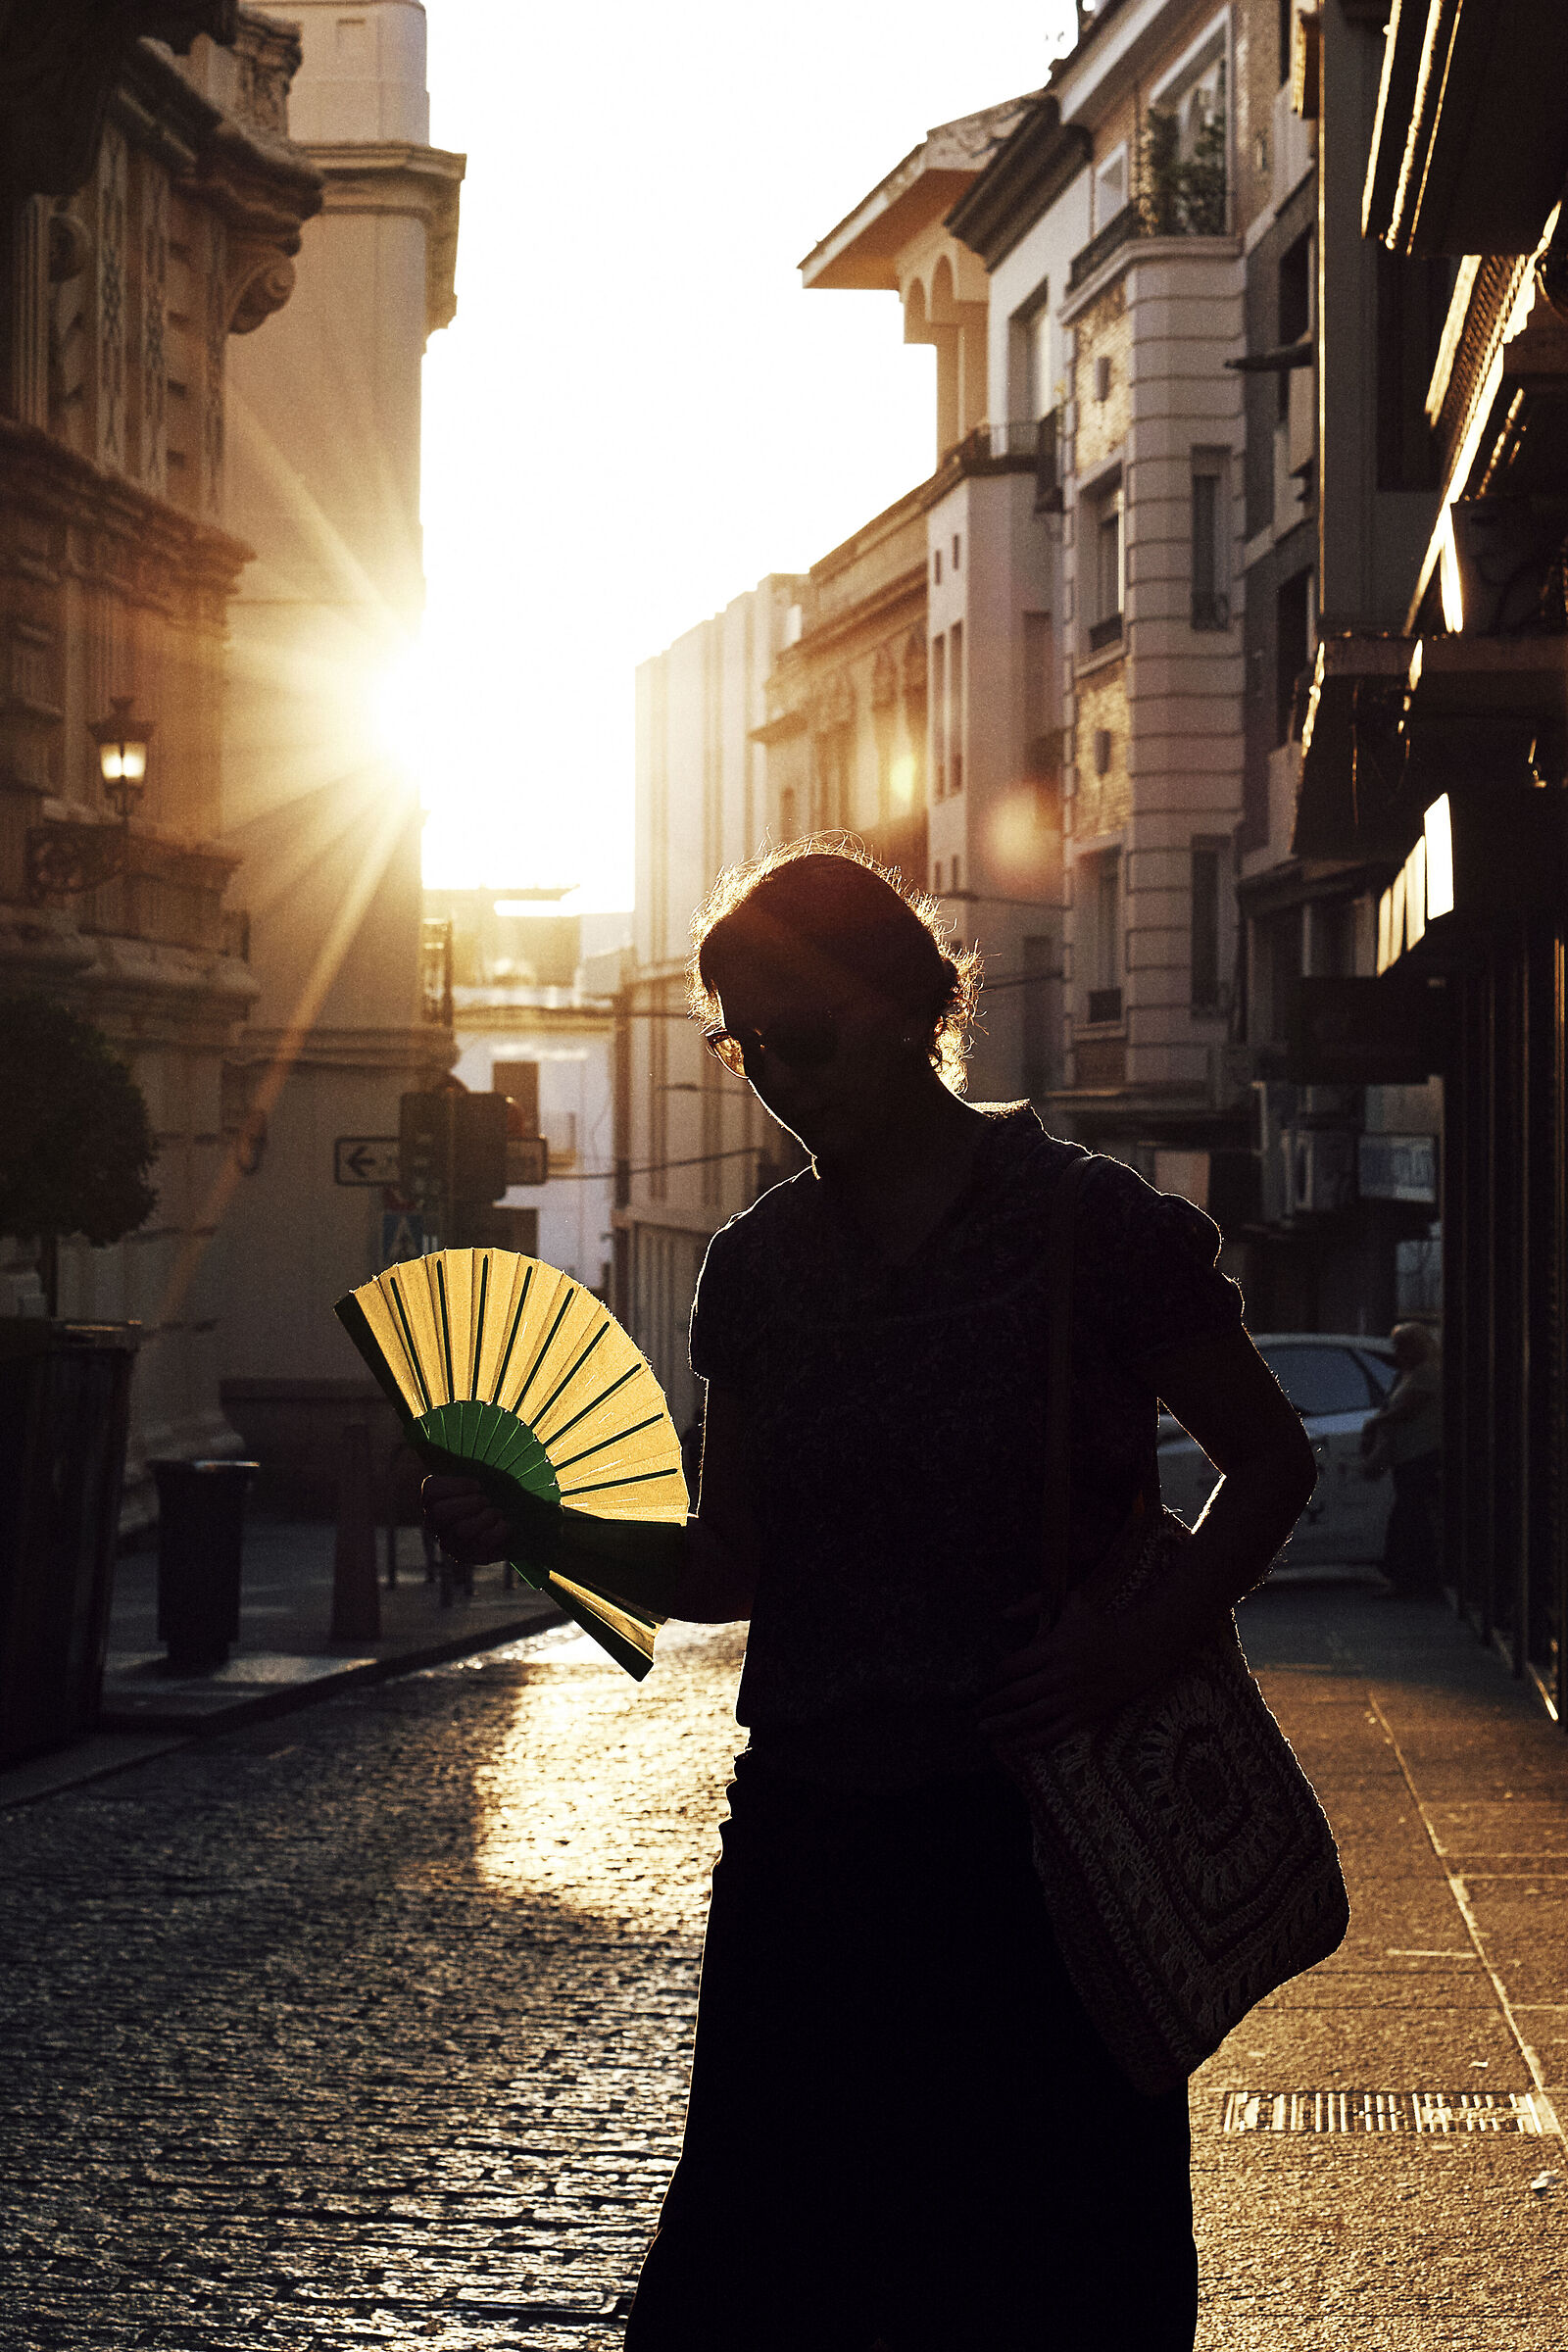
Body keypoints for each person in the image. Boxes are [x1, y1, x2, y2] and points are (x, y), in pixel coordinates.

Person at [424, 844, 1317, 2352]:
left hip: (1037, 1850)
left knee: (1045, 2279)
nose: (778, 1073)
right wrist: (541, 1525)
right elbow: (732, 1568)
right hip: (814, 1850)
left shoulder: (1089, 1225)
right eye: (745, 1044)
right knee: (769, 2282)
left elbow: (1272, 1463)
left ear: (912, 1003)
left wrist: (1133, 1646)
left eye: (807, 1032)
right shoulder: (759, 1269)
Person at [1360, 1321, 1442, 1596]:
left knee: (1409, 1518)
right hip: (1406, 1457)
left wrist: (1374, 1423)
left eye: (1402, 1346)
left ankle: (1410, 1579)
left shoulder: (1426, 1374)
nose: (1397, 1352)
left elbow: (1406, 1410)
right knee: (1407, 1516)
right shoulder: (1408, 1375)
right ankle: (1406, 1578)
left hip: (1421, 1457)